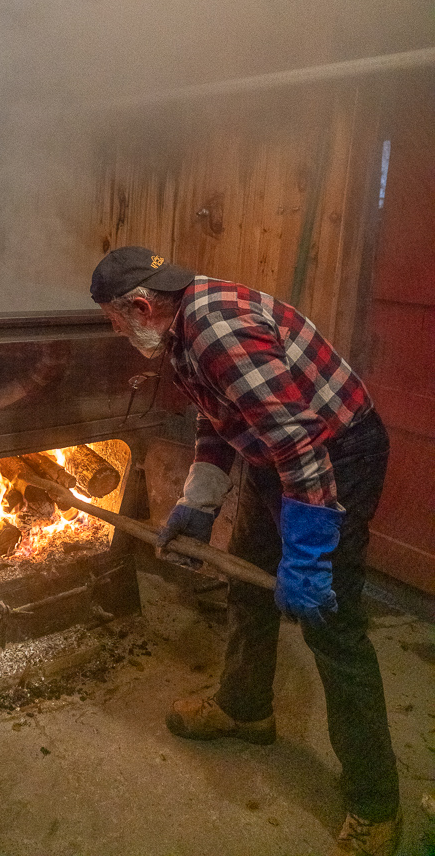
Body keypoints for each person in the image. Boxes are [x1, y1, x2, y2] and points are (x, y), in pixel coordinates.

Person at [90, 245, 402, 856]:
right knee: (248, 583)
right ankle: (246, 708)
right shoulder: (179, 331)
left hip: (337, 456)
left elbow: (298, 440)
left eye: (113, 318)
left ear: (140, 305)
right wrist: (200, 502)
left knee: (331, 624)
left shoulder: (216, 328)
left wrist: (310, 552)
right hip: (280, 458)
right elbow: (219, 418)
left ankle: (375, 800)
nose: (116, 330)